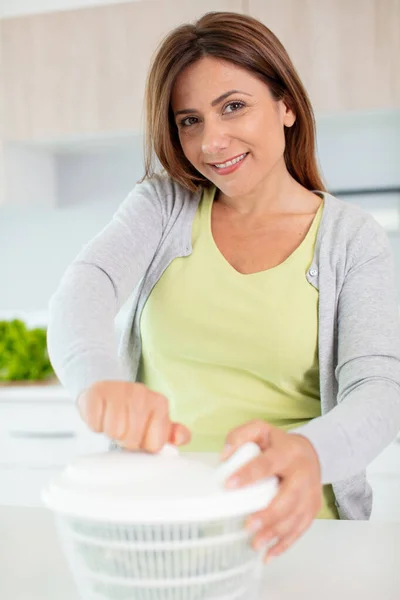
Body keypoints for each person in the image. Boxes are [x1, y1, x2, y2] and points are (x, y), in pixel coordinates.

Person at [47, 11, 400, 562]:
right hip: (161, 526)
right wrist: (96, 380)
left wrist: (310, 451)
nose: (211, 141)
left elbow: (380, 389)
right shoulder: (162, 206)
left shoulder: (352, 239)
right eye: (189, 120)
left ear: (286, 106)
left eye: (233, 106)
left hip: (295, 531)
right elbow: (85, 287)